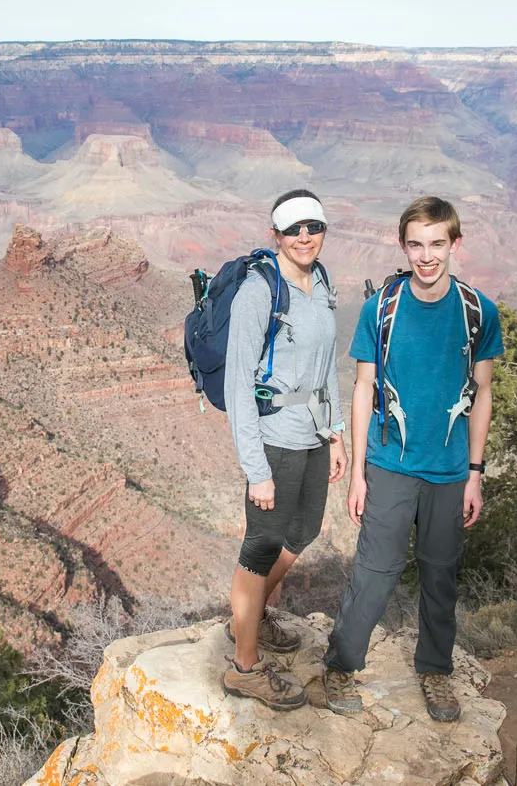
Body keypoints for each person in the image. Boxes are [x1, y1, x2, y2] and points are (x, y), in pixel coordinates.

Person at [322, 196, 503, 722]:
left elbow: (483, 393)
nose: (426, 256)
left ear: (454, 244)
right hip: (390, 465)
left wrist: (475, 474)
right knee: (375, 573)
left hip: (449, 471)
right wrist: (357, 473)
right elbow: (362, 387)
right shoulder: (381, 307)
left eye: (437, 244)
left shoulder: (478, 312)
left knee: (441, 575)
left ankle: (436, 673)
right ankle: (341, 664)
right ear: (403, 246)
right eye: (416, 245)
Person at [222, 188, 347, 711]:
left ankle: (246, 620)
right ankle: (244, 667)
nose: (304, 237)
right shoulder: (259, 291)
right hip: (275, 438)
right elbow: (236, 385)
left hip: (316, 433)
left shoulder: (321, 282)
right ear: (275, 235)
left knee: (306, 530)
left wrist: (337, 432)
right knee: (261, 546)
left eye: (313, 226)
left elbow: (326, 365)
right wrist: (256, 470)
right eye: (293, 229)